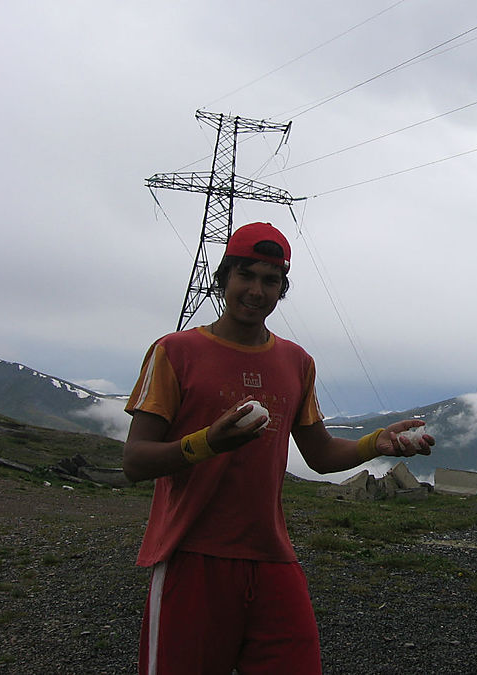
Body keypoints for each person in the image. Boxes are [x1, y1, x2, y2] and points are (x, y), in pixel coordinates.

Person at [122, 221, 434, 675]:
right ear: (223, 277)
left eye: (271, 280)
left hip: (271, 555)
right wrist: (207, 443)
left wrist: (376, 443)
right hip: (191, 555)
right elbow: (134, 461)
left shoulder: (296, 362)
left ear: (282, 288)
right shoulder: (175, 352)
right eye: (245, 275)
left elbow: (320, 455)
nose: (256, 290)